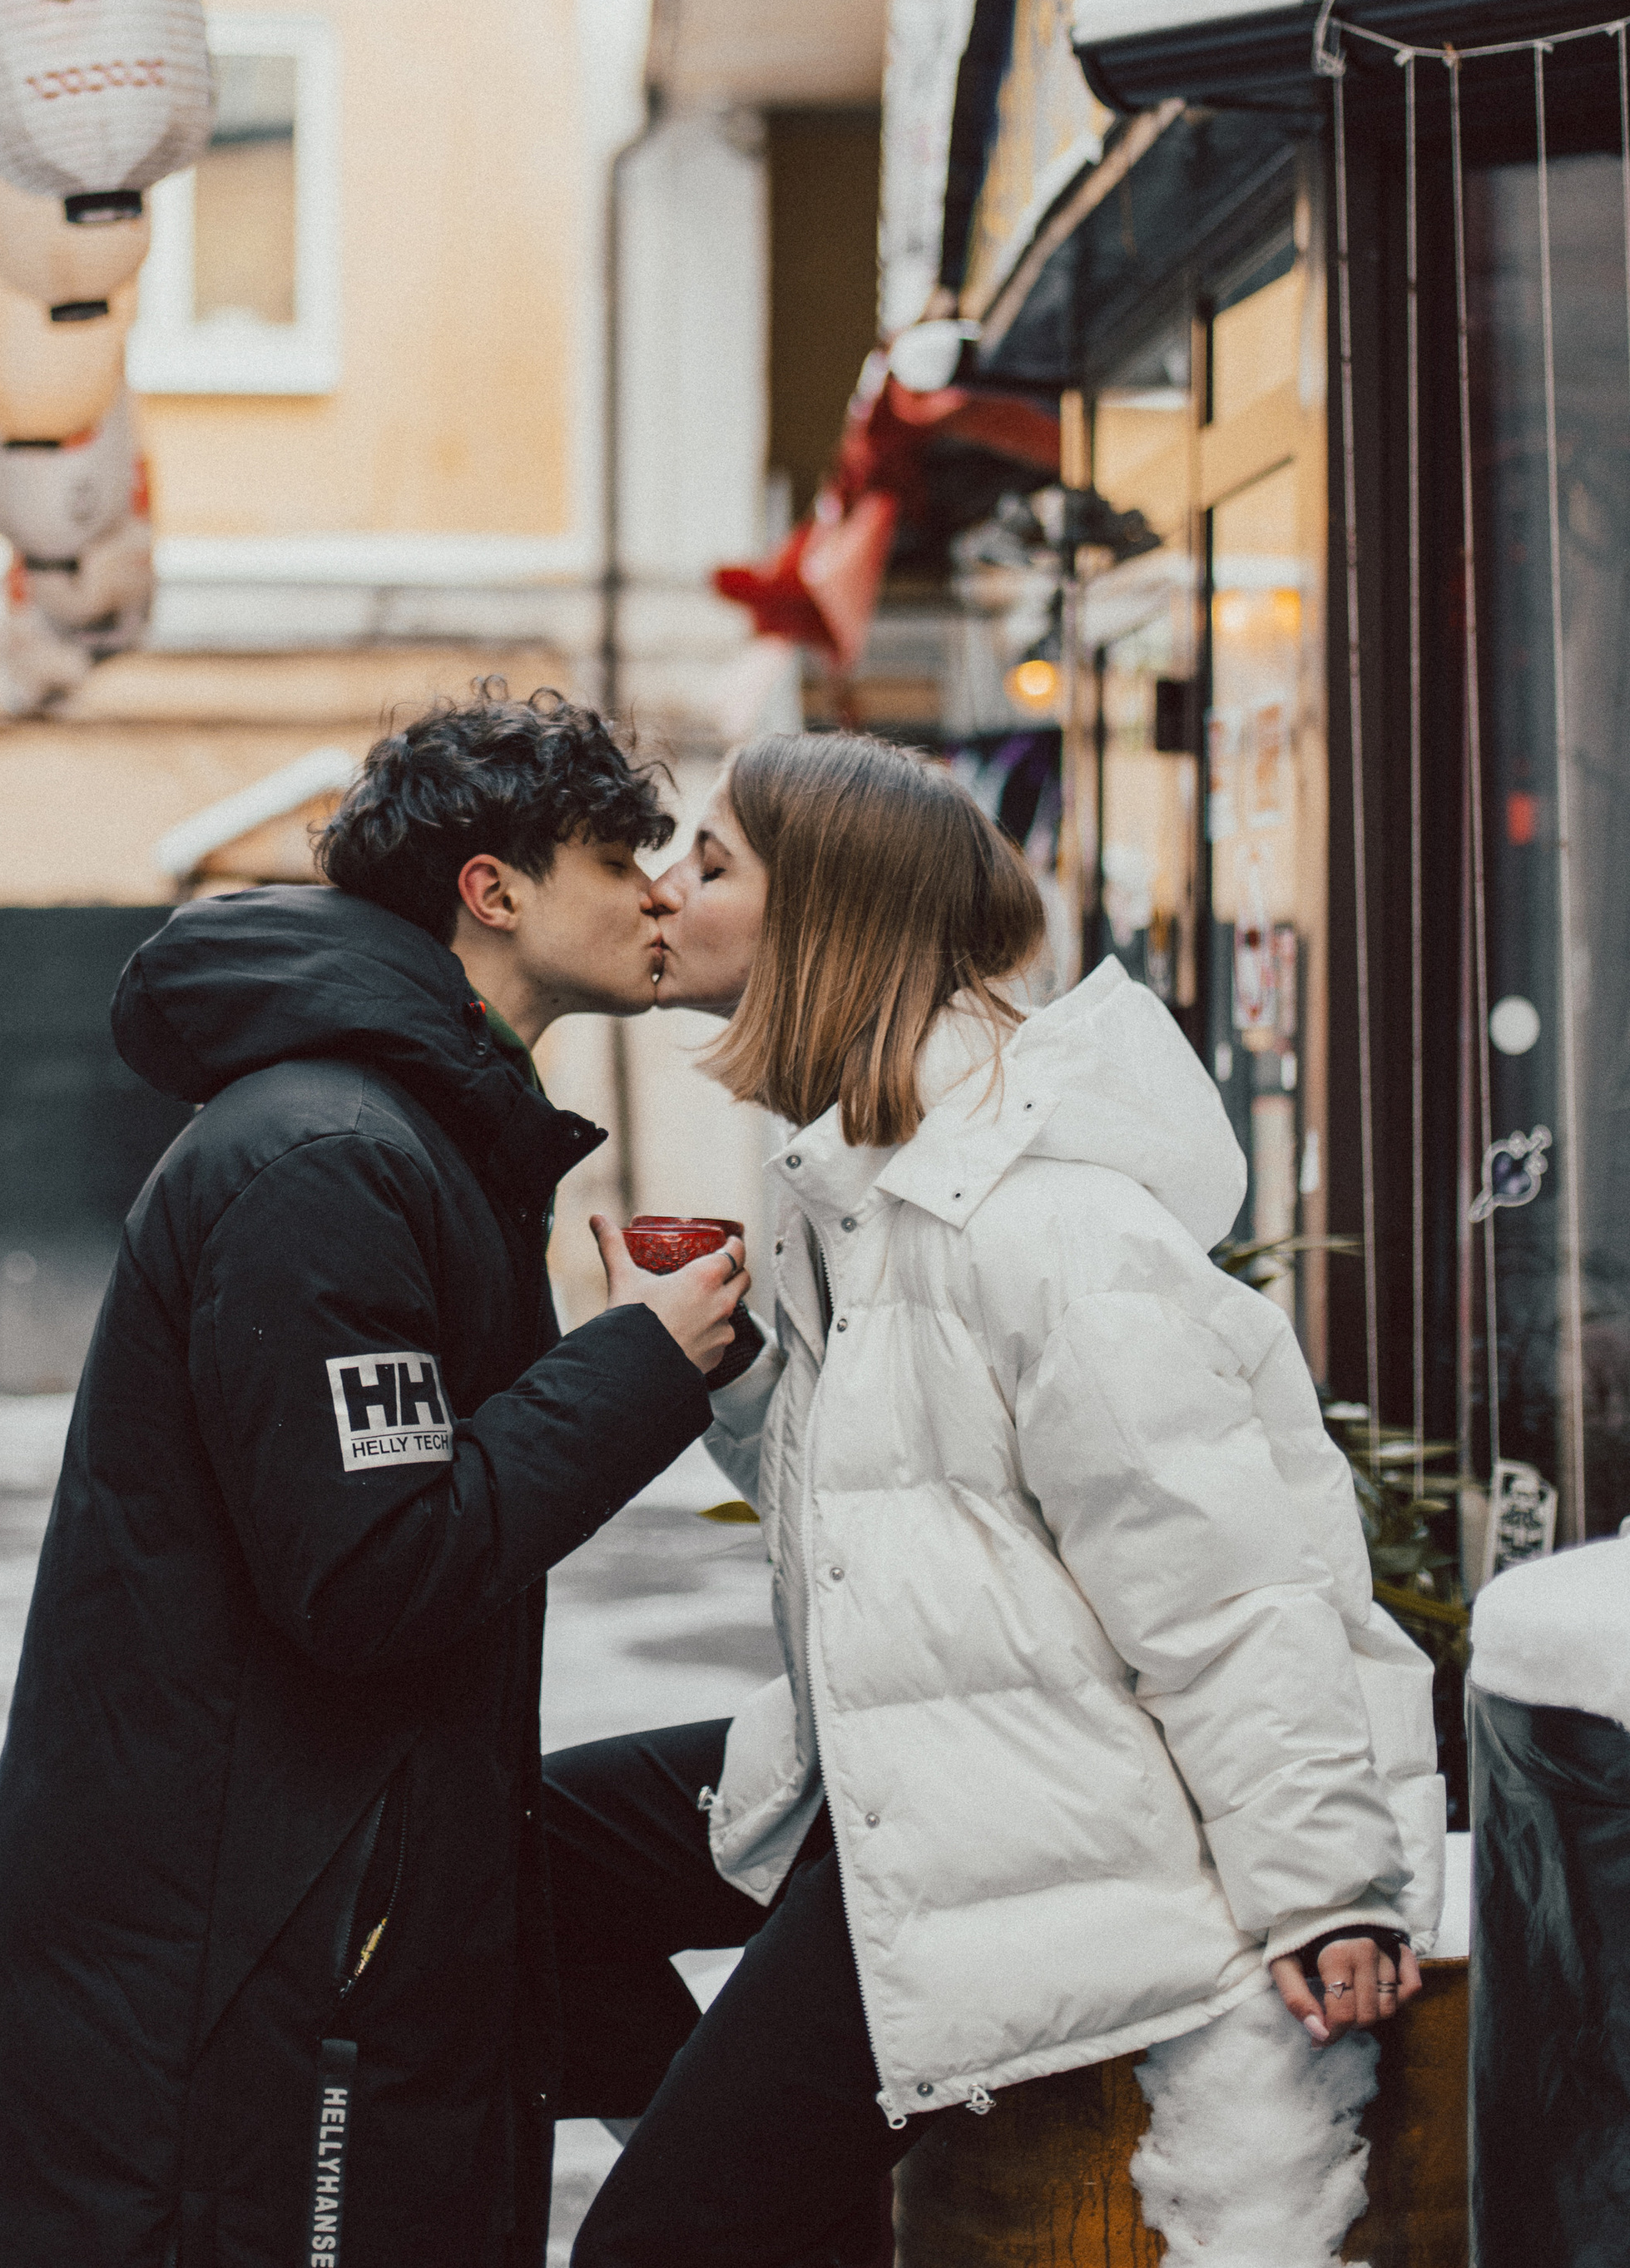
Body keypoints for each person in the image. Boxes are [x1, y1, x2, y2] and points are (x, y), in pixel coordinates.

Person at [547, 732, 1444, 2268]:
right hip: (899, 1757)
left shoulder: (1042, 1221)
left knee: (653, 2246)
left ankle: (738, 2180)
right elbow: (886, 1519)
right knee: (520, 1845)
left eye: (714, 862)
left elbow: (1228, 1581)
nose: (665, 887)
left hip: (1022, 1815)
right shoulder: (854, 1185)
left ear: (825, 913)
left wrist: (1330, 1890)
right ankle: (774, 2178)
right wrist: (730, 1369)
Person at [0, 686, 753, 2268]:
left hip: (314, 1928)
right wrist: (637, 1362)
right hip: (246, 1972)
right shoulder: (332, 1157)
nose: (661, 895)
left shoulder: (414, 1136)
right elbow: (371, 1574)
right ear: (491, 891)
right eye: (619, 856)